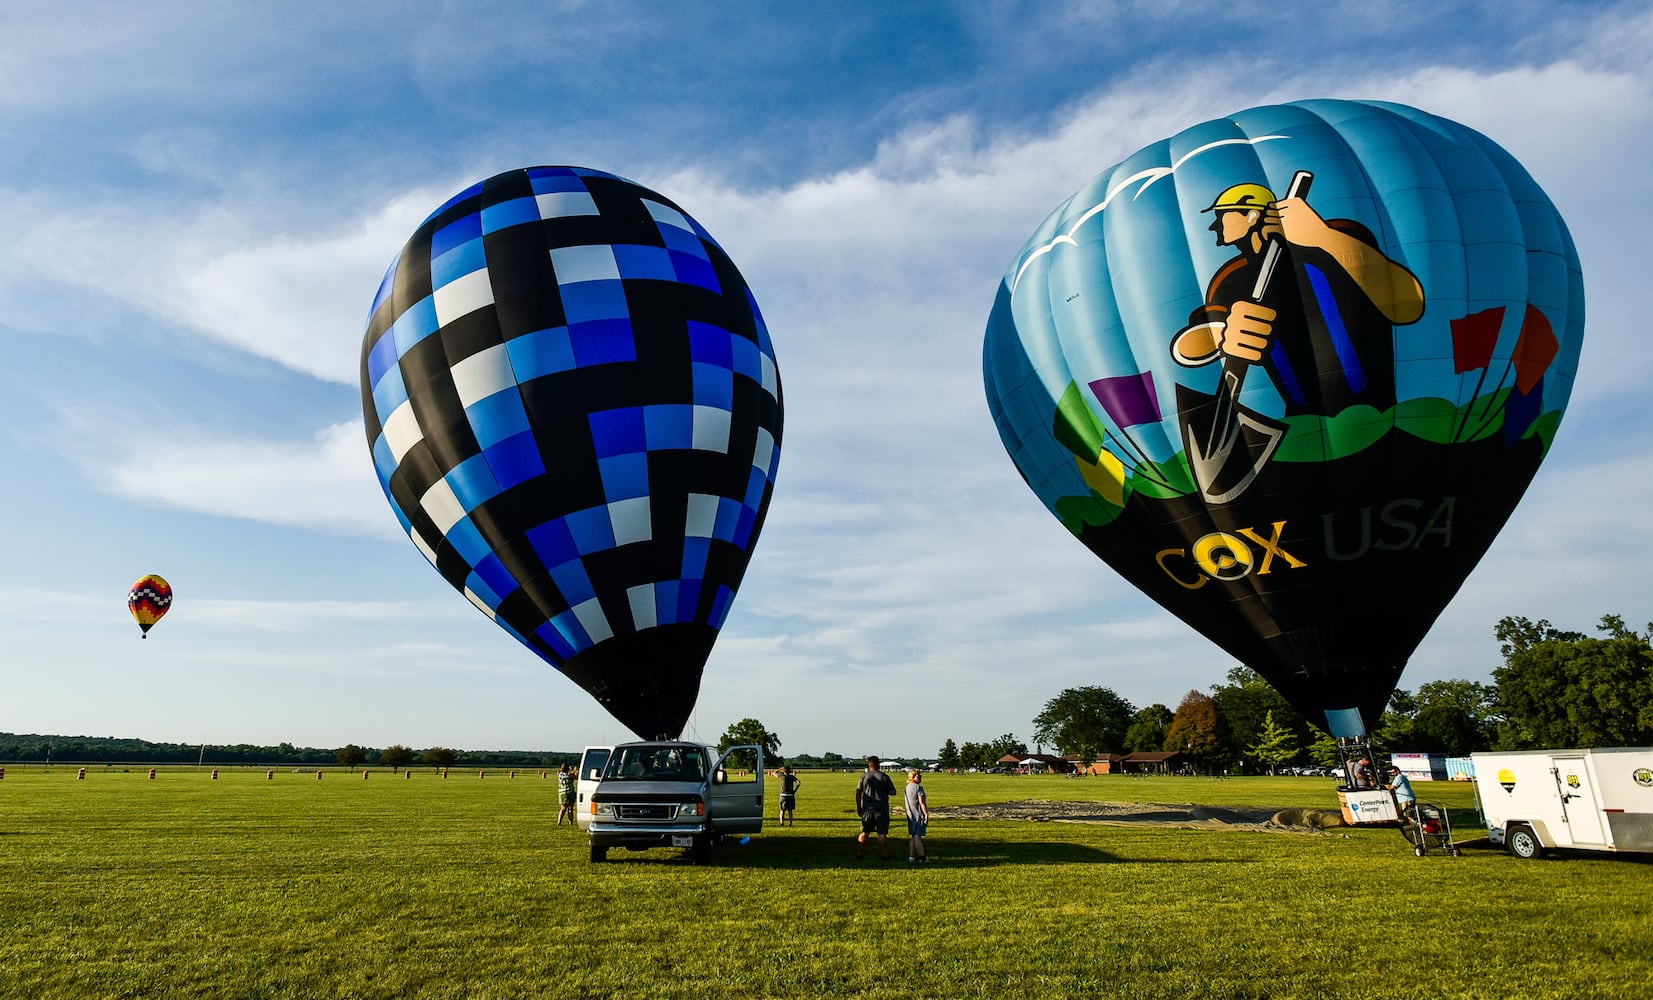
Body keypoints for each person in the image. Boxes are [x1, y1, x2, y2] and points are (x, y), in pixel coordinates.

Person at [855, 755, 897, 859]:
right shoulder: (884, 777)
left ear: (869, 765)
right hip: (881, 808)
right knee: (882, 833)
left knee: (865, 831)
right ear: (878, 765)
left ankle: (860, 852)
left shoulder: (864, 777)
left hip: (867, 808)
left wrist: (859, 807)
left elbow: (858, 793)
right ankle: (885, 854)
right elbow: (893, 791)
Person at [904, 768, 929, 863]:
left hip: (910, 815)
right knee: (918, 836)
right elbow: (922, 803)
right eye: (918, 776)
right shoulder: (919, 788)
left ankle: (911, 856)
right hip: (918, 814)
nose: (920, 777)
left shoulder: (907, 787)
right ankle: (922, 857)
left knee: (913, 836)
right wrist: (926, 814)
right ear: (913, 777)